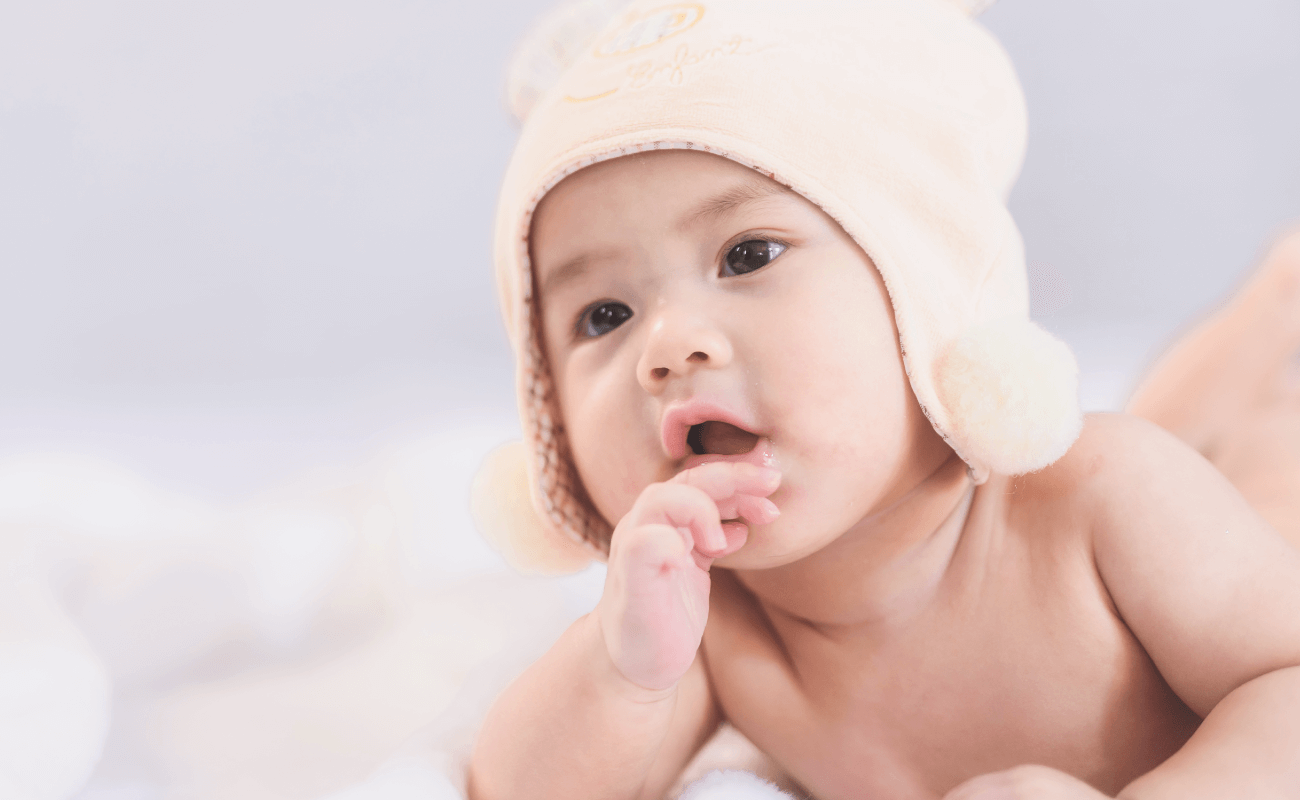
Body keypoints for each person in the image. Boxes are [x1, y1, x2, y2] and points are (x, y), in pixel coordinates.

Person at [463, 0, 1300, 797]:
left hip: (1263, 526)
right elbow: (510, 791)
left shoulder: (1102, 496)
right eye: (603, 315)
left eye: (748, 255)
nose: (668, 346)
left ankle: (1276, 299)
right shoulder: (716, 628)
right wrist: (621, 671)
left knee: (1245, 441)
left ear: (920, 286)